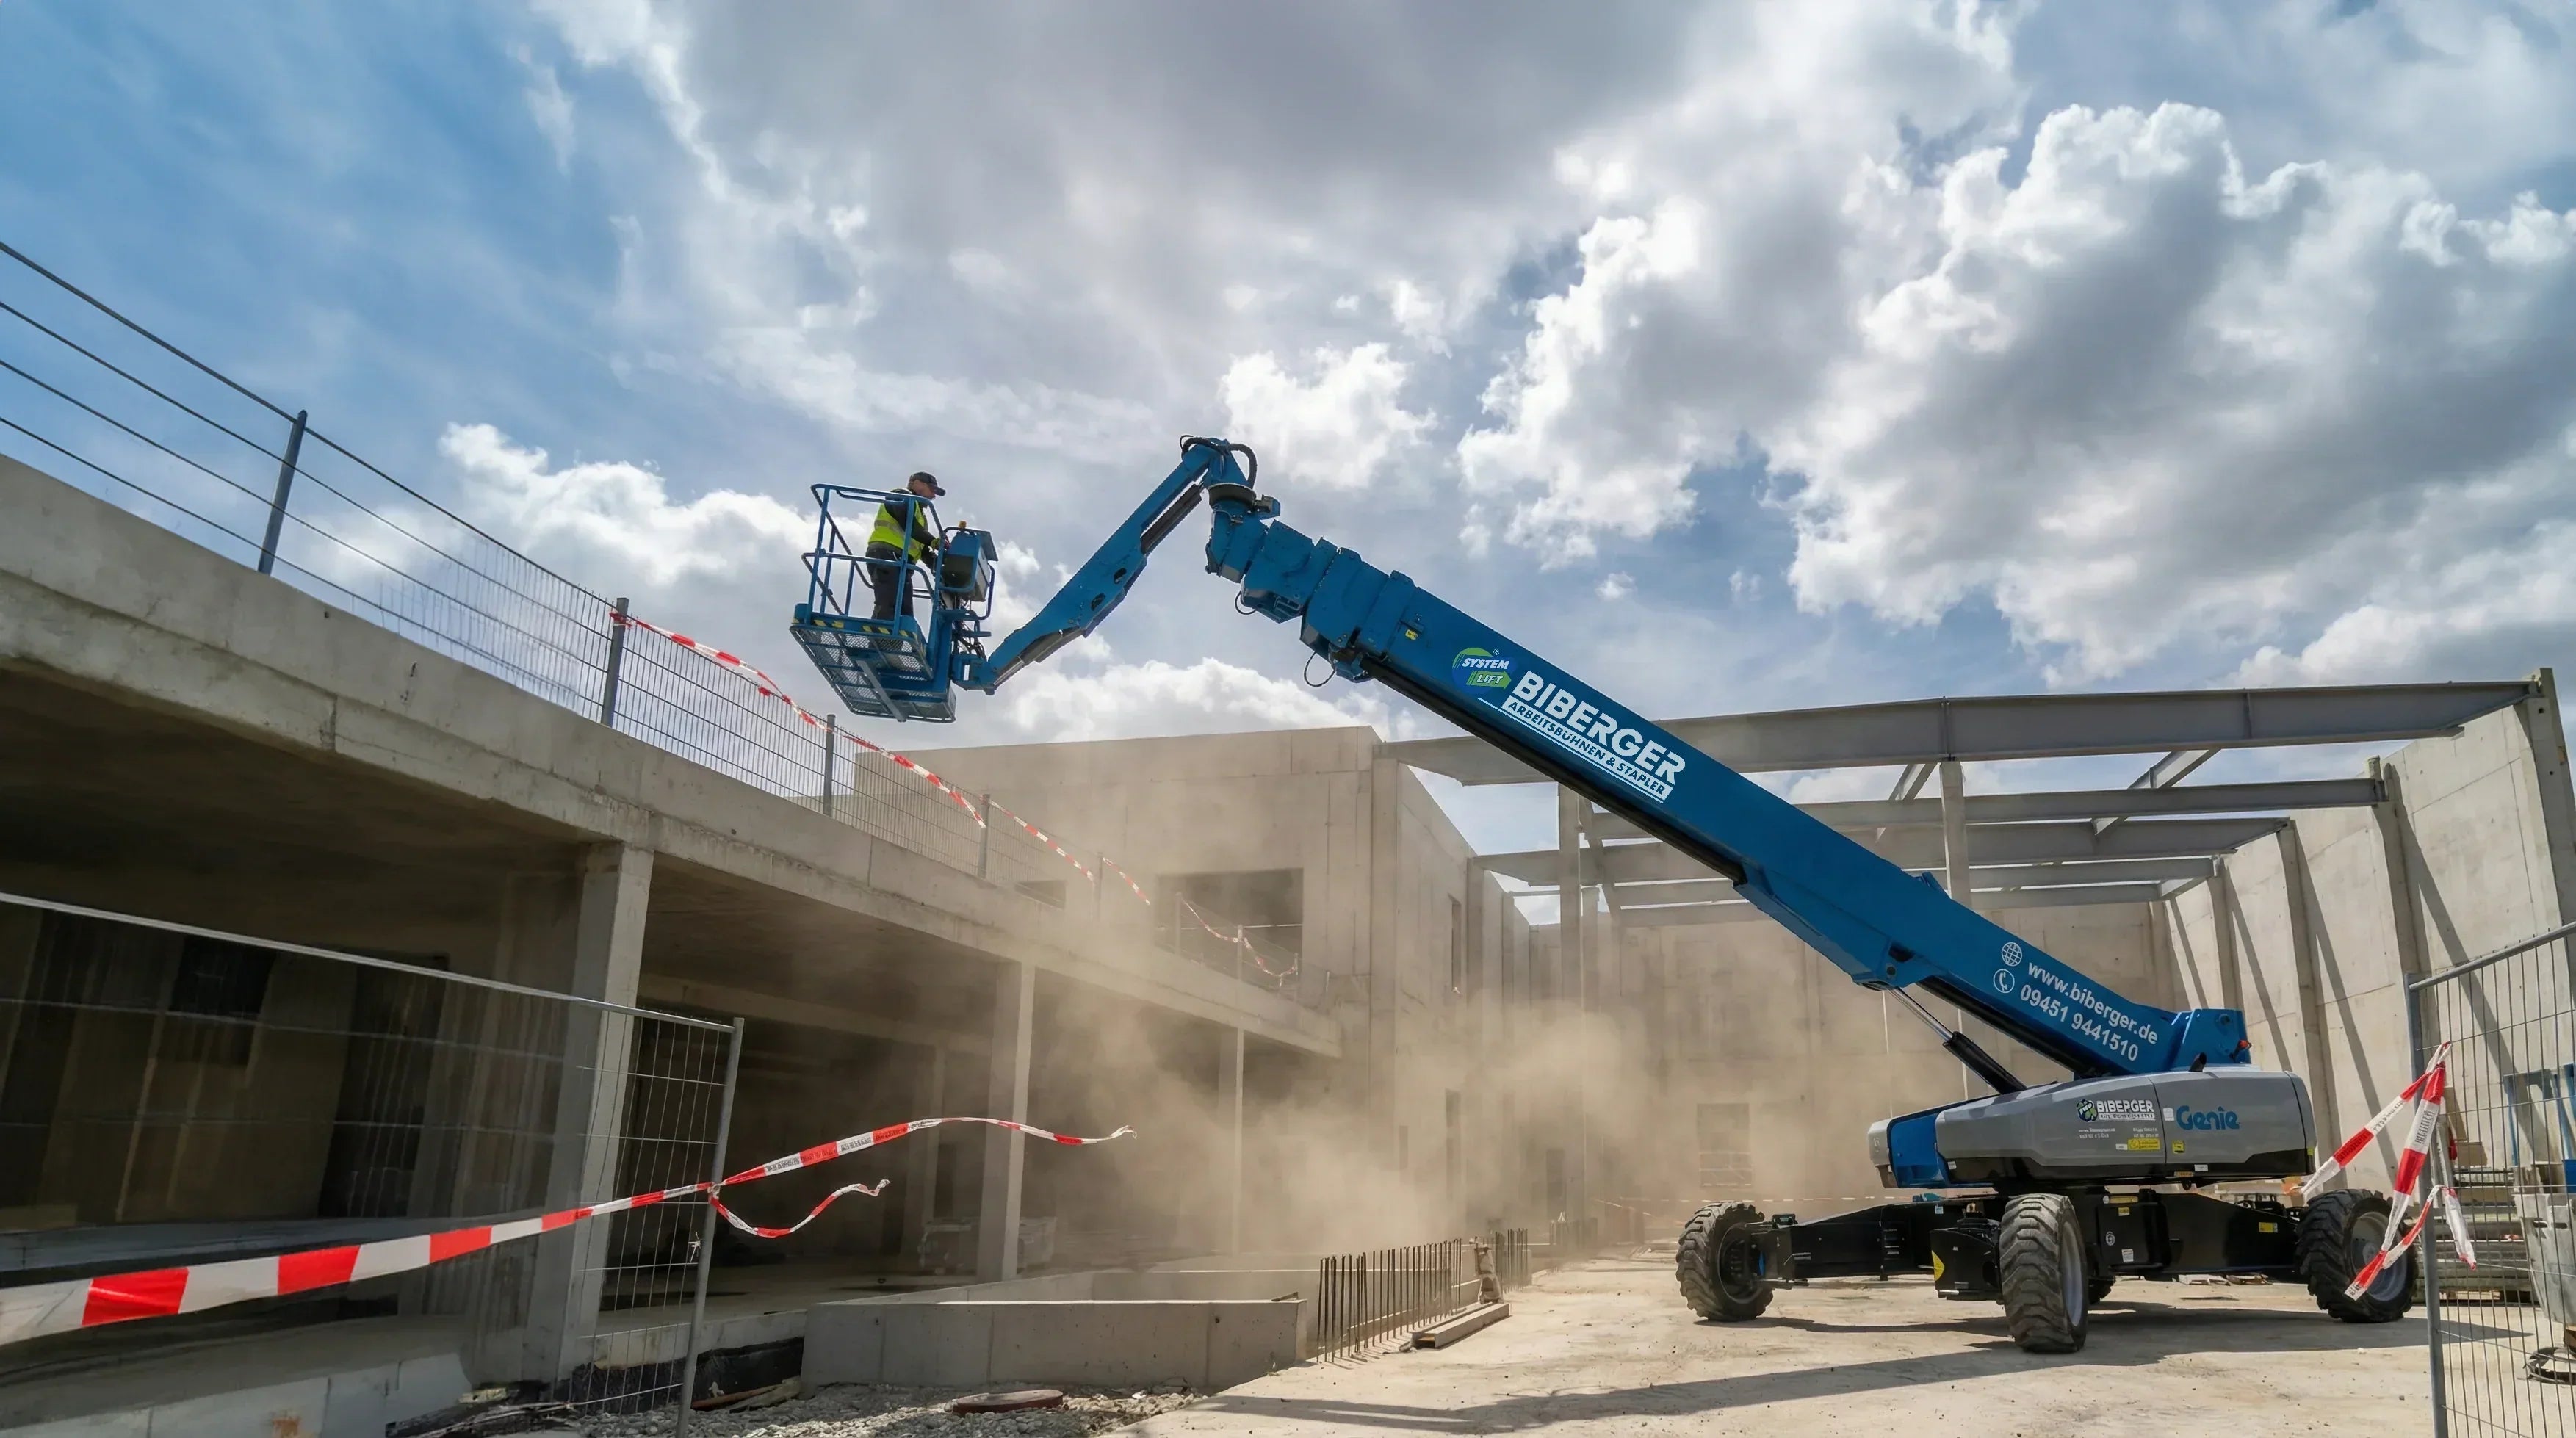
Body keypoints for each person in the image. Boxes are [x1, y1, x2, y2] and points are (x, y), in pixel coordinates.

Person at [866, 470, 944, 623]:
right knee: (889, 605)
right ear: (917, 483)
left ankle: (891, 636)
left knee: (905, 612)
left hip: (902, 564)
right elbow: (909, 525)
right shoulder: (901, 496)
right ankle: (881, 634)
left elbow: (923, 550)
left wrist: (942, 565)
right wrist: (933, 541)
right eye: (931, 490)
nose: (933, 496)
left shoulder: (921, 518)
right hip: (887, 555)